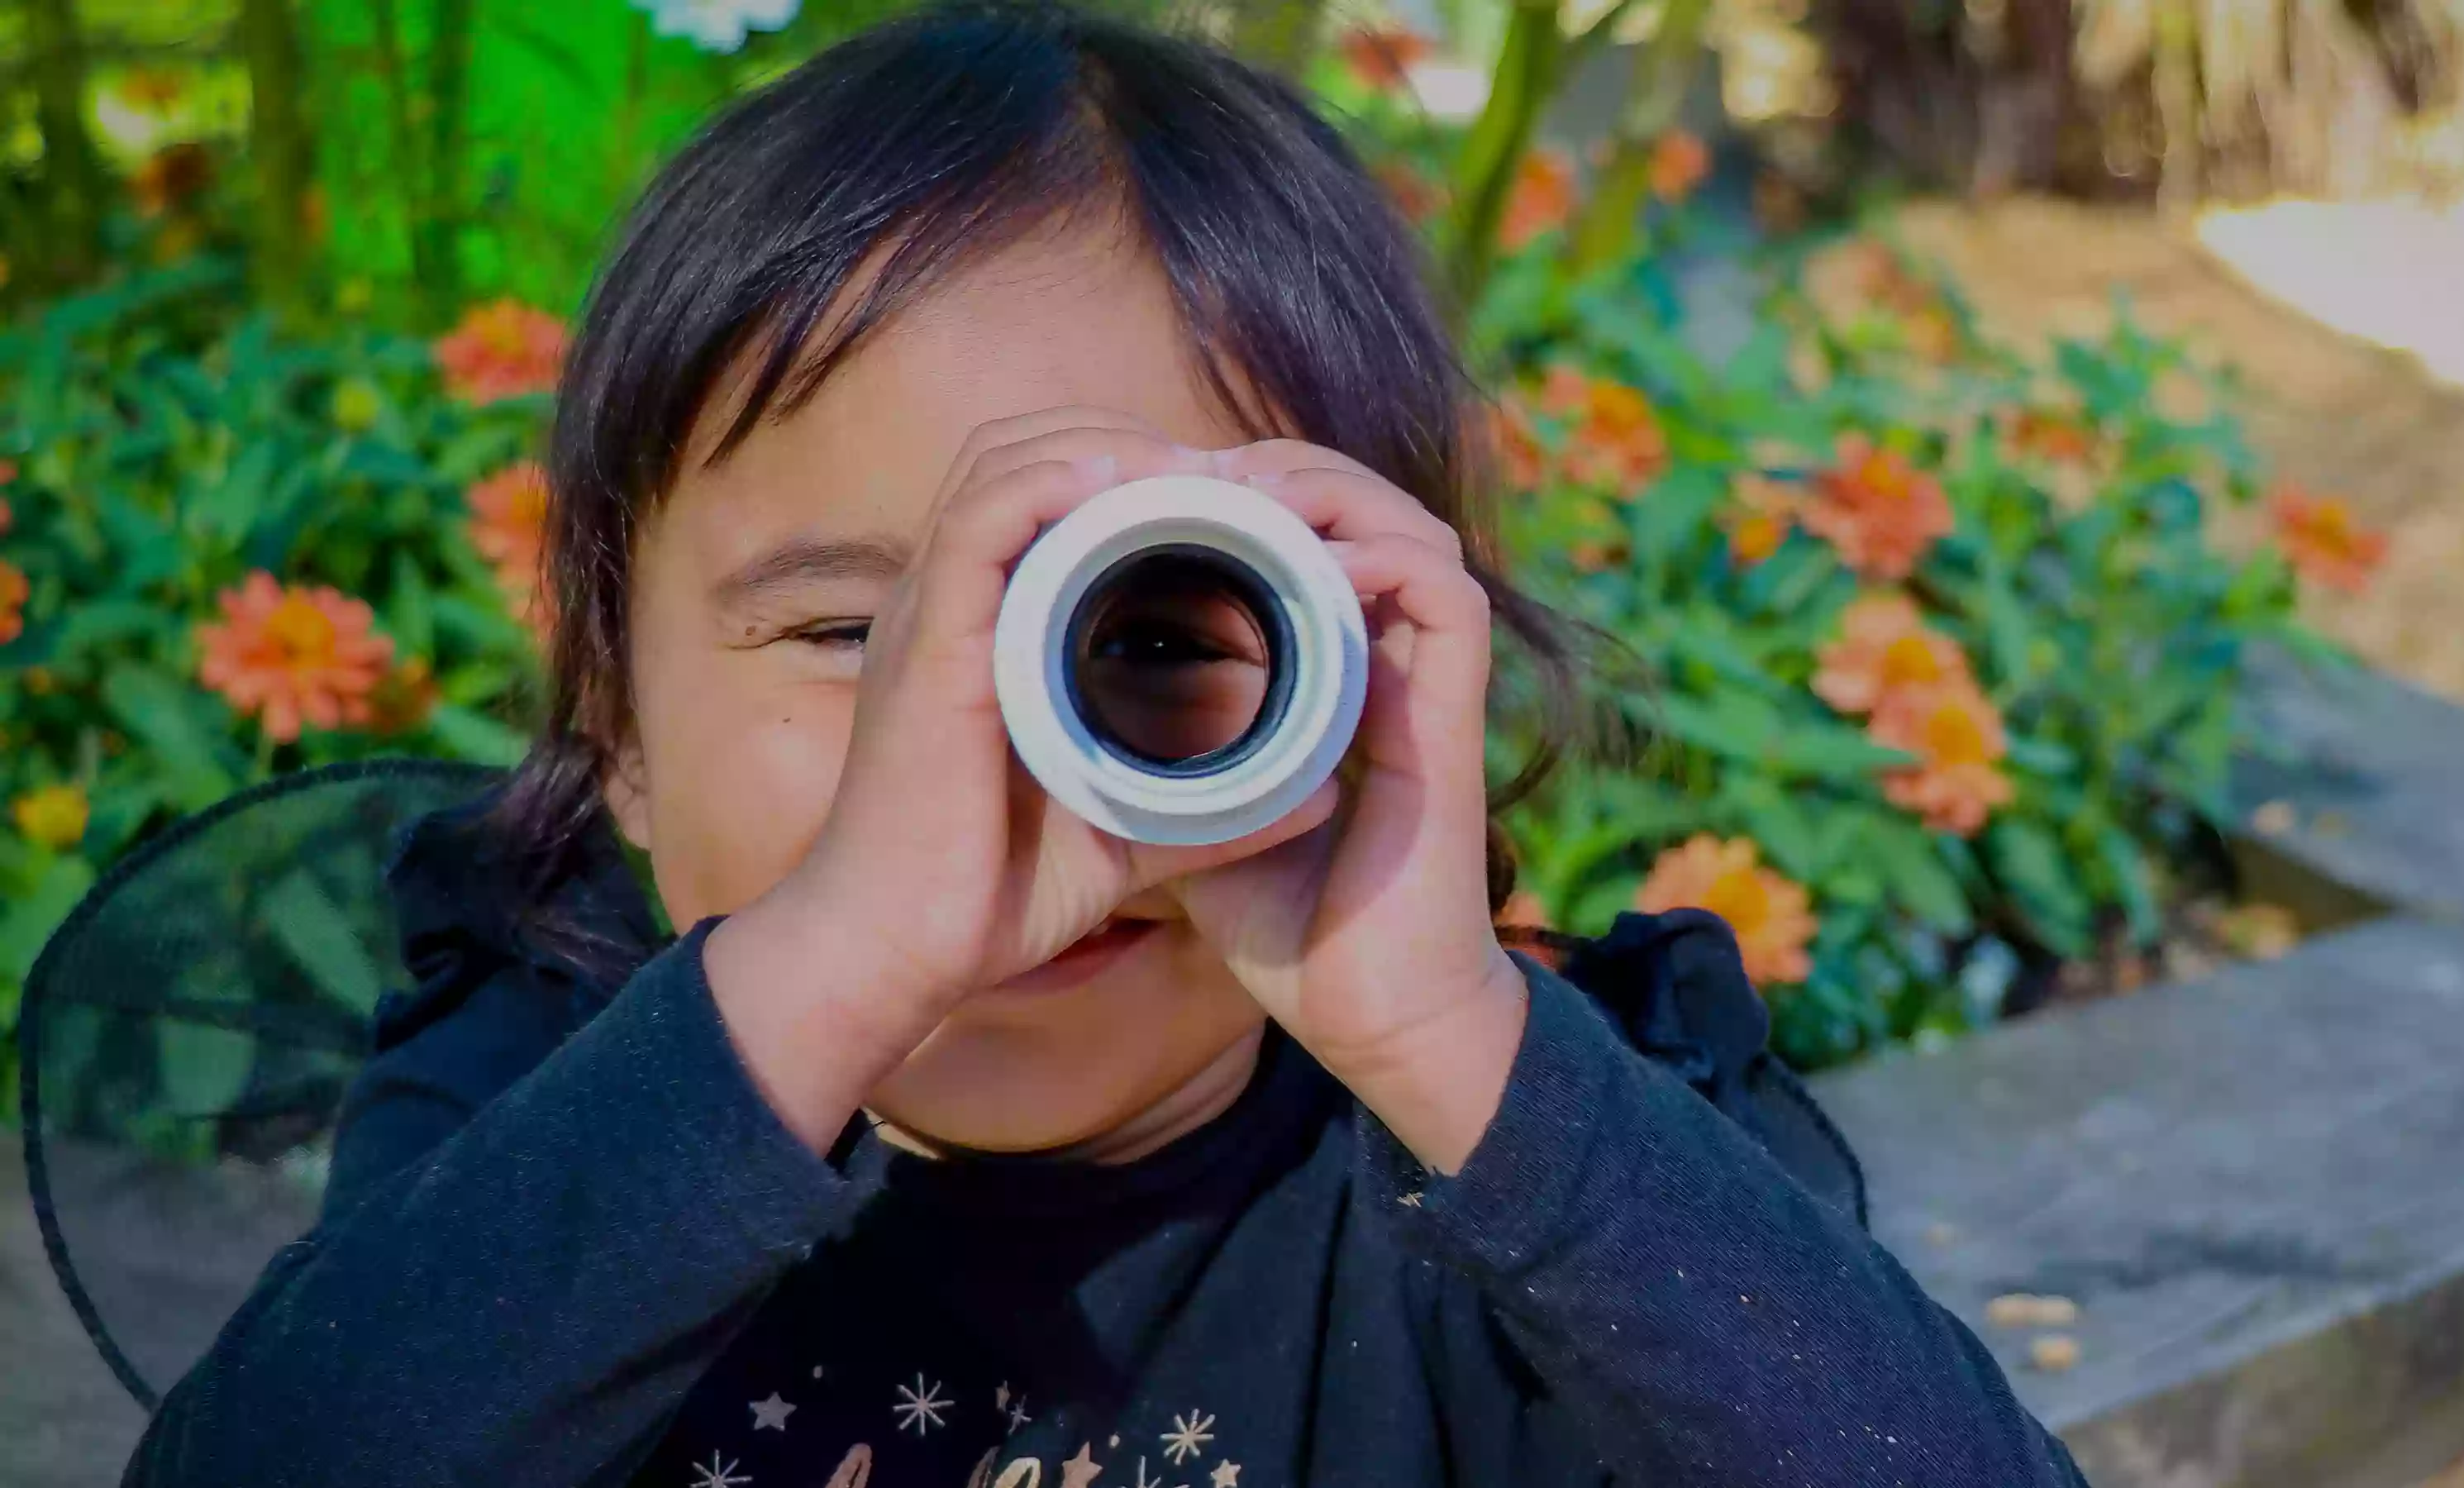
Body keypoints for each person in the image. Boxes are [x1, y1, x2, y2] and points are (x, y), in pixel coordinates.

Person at [123, 7, 2085, 1485]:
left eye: (1141, 635)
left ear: (1370, 670)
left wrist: (1459, 1047)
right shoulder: (542, 1105)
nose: (978, 754)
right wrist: (815, 982)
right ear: (615, 727)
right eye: (848, 636)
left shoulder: (1494, 1162)